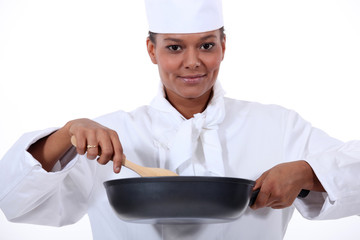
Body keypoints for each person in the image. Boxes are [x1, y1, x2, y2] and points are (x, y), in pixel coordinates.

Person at [1, 0, 360, 239]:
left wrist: (307, 173)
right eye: (174, 47)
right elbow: (13, 203)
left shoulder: (277, 127)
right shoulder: (107, 138)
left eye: (206, 45)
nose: (193, 62)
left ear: (224, 46)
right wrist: (67, 134)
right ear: (151, 50)